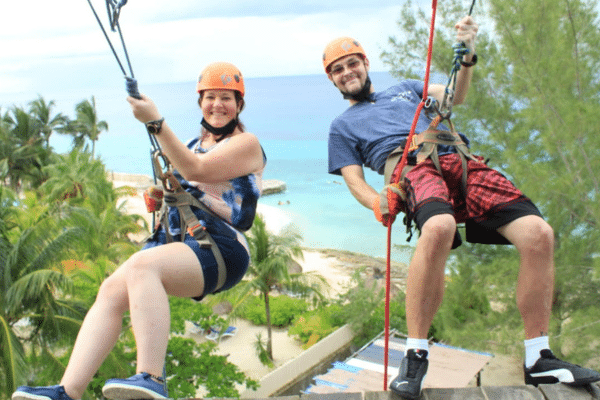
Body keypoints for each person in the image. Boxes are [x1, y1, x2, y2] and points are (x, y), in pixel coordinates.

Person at [323, 16, 600, 400]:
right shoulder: (342, 126)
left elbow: (455, 97)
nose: (346, 72)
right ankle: (416, 353)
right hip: (411, 167)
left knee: (539, 234)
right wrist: (377, 201)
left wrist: (466, 54)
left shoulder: (408, 89)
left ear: (365, 64)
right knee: (439, 226)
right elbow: (353, 178)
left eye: (352, 63)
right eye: (337, 70)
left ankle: (539, 358)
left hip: (459, 159)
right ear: (332, 80)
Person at [12, 61, 266, 400]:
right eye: (210, 97)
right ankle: (67, 391)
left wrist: (155, 122)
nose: (218, 105)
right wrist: (164, 194)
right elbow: (190, 174)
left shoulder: (246, 143)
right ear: (200, 102)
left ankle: (150, 377)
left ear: (239, 105)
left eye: (227, 98)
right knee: (111, 289)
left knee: (142, 267)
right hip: (183, 242)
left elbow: (197, 169)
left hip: (219, 247)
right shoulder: (191, 142)